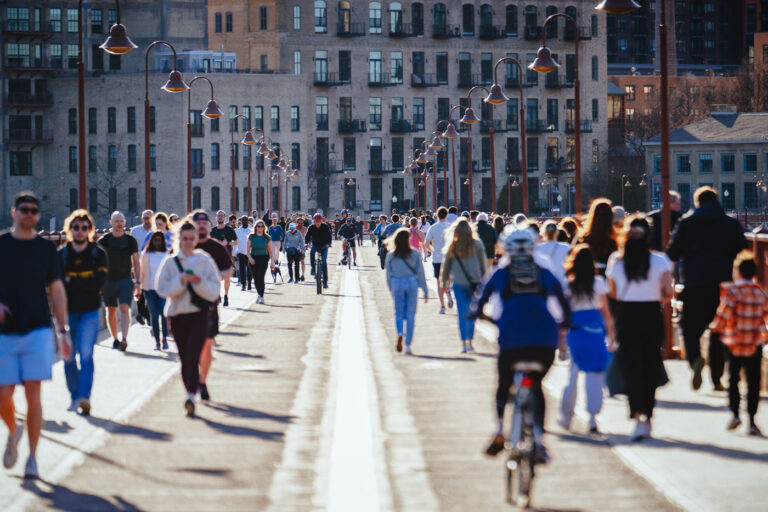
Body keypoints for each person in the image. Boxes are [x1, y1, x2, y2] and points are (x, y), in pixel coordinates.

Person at [471, 224, 570, 460]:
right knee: (536, 385)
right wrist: (564, 324)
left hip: (512, 338)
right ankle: (539, 439)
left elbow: (479, 300)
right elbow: (564, 303)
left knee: (504, 386)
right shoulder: (544, 272)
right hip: (545, 341)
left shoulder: (501, 273)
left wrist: (479, 314)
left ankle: (498, 431)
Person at [1, 192, 71, 479]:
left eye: (34, 210)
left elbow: (56, 290)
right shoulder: (2, 244)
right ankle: (14, 430)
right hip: (5, 332)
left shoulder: (46, 250)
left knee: (33, 396)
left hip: (38, 329)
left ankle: (32, 458)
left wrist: (63, 331)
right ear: (14, 212)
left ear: (38, 215)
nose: (29, 214)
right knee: (3, 394)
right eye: (24, 210)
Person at [667, 186, 747, 391]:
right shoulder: (730, 223)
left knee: (689, 327)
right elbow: (742, 249)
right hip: (723, 286)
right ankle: (717, 378)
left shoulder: (686, 223)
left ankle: (695, 359)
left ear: (697, 202)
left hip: (694, 283)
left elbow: (673, 252)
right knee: (719, 331)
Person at [606, 215, 673, 441]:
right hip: (651, 315)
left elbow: (613, 293)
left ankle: (636, 415)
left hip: (627, 316)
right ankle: (648, 415)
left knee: (631, 367)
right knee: (650, 365)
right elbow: (668, 291)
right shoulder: (660, 261)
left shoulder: (616, 261)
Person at [155, 221, 221, 417]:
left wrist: (198, 283)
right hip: (177, 315)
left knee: (193, 354)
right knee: (184, 357)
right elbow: (162, 289)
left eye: (192, 239)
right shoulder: (170, 262)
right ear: (178, 239)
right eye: (184, 239)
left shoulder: (204, 260)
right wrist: (180, 281)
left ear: (196, 240)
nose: (188, 242)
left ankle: (191, 395)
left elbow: (214, 290)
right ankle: (190, 392)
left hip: (199, 315)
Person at [709, 251, 766, 436]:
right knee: (753, 381)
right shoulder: (760, 293)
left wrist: (715, 328)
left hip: (734, 341)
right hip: (754, 342)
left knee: (733, 378)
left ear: (738, 272)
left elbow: (723, 314)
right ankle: (751, 420)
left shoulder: (733, 292)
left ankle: (735, 414)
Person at [560, 245, 614, 434]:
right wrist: (612, 335)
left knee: (573, 373)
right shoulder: (599, 283)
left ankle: (567, 416)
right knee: (595, 373)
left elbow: (563, 315)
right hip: (595, 329)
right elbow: (606, 311)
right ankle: (592, 417)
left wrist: (561, 341)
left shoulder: (568, 285)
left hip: (576, 329)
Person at [59, 210, 108, 415]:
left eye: (84, 228)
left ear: (90, 230)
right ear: (70, 230)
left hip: (89, 311)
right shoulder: (61, 254)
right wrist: (83, 281)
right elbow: (57, 286)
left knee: (86, 354)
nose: (80, 231)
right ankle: (74, 396)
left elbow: (99, 283)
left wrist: (73, 282)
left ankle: (84, 397)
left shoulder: (98, 254)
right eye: (76, 227)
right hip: (67, 312)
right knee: (69, 357)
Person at [193, 210, 234, 401]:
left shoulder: (216, 248)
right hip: (185, 304)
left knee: (206, 346)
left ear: (209, 226)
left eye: (204, 222)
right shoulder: (184, 245)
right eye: (197, 222)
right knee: (189, 347)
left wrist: (214, 275)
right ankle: (192, 379)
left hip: (209, 303)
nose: (201, 225)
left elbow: (229, 269)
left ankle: (202, 382)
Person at [441, 219, 488, 353]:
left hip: (459, 283)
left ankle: (464, 343)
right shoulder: (477, 244)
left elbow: (446, 267)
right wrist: (485, 282)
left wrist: (444, 283)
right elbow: (483, 265)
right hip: (474, 283)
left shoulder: (453, 246)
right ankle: (470, 341)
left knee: (462, 313)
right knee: (472, 313)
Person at [98, 211, 141, 351]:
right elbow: (96, 261)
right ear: (111, 223)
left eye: (121, 221)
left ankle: (124, 338)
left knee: (124, 307)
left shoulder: (130, 240)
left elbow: (136, 261)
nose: (119, 224)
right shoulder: (104, 240)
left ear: (125, 222)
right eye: (116, 221)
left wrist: (138, 282)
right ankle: (115, 338)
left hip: (125, 280)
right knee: (111, 310)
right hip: (108, 281)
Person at [385, 228, 428, 355]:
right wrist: (425, 290)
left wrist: (391, 289)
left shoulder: (391, 255)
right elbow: (420, 272)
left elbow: (388, 275)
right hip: (411, 283)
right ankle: (408, 345)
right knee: (410, 314)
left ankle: (399, 333)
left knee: (398, 313)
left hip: (397, 283)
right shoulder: (414, 253)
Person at [140, 231, 170, 350]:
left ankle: (164, 339)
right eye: (155, 240)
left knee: (164, 314)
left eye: (160, 240)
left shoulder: (167, 254)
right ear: (152, 241)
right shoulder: (146, 254)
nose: (157, 243)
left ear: (163, 241)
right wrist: (139, 288)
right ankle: (157, 341)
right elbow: (141, 272)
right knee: (154, 315)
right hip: (149, 289)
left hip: (164, 289)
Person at [576, 199, 618, 277]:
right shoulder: (617, 240)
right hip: (611, 282)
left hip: (588, 281)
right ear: (611, 217)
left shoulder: (583, 238)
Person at [425, 207, 454, 314]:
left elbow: (426, 244)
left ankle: (442, 306)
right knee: (448, 279)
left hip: (437, 258)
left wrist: (433, 250)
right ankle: (449, 289)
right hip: (449, 258)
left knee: (438, 282)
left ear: (437, 215)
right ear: (446, 215)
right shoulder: (450, 227)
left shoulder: (433, 228)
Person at [210, 210, 237, 306]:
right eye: (218, 216)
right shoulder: (212, 231)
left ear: (225, 218)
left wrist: (228, 243)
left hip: (226, 257)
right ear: (216, 217)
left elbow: (236, 241)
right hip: (215, 258)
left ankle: (226, 296)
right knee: (216, 279)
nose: (220, 217)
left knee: (226, 278)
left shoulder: (229, 230)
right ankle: (218, 295)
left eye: (222, 216)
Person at [247, 219, 276, 302]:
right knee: (256, 278)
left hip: (264, 258)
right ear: (255, 227)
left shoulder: (267, 237)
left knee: (261, 276)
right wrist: (250, 258)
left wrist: (272, 262)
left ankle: (261, 296)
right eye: (258, 226)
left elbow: (270, 251)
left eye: (262, 226)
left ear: (264, 227)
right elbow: (247, 251)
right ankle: (259, 294)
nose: (260, 228)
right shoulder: (251, 236)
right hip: (253, 258)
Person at [306, 213, 333, 289]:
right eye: (316, 222)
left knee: (324, 262)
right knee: (311, 252)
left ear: (321, 221)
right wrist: (306, 243)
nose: (317, 224)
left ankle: (325, 282)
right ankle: (313, 268)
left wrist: (329, 244)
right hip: (315, 244)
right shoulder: (311, 227)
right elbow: (307, 236)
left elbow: (329, 236)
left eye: (319, 222)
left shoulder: (325, 226)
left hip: (324, 245)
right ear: (314, 221)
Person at [235, 215, 253, 291]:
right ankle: (243, 284)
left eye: (246, 220)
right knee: (242, 269)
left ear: (248, 221)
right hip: (241, 252)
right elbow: (235, 242)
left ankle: (249, 283)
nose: (244, 221)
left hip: (250, 253)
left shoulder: (251, 230)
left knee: (249, 269)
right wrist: (234, 254)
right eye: (243, 220)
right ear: (241, 221)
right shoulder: (237, 231)